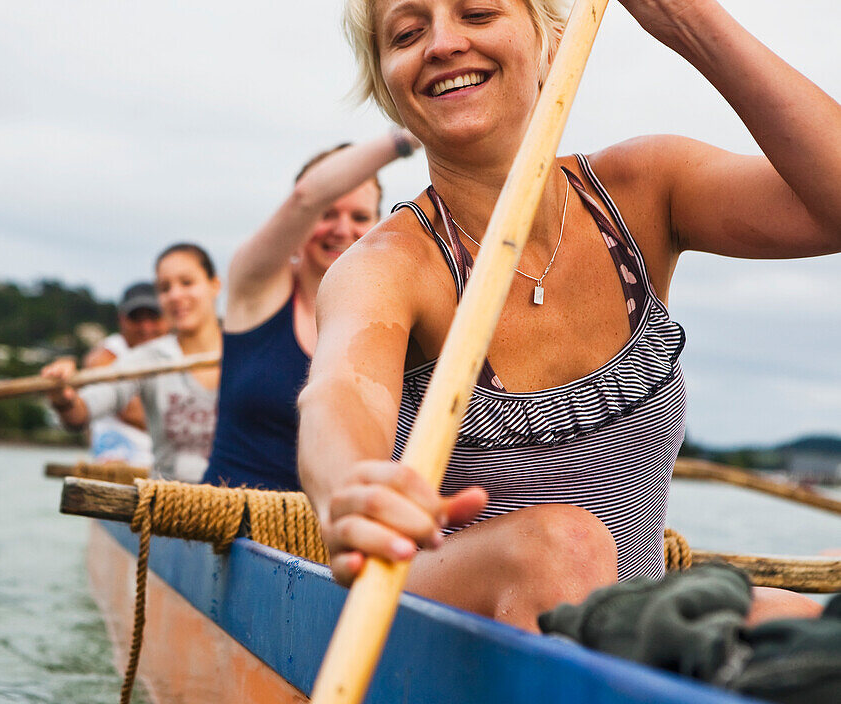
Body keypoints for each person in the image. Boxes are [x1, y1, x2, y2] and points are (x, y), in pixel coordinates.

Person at [298, 0, 839, 631]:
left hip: (630, 622)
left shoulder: (641, 190)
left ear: (552, 42)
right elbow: (340, 392)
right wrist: (349, 491)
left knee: (790, 621)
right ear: (390, 87)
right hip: (447, 622)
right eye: (408, 34)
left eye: (476, 13)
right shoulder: (390, 264)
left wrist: (690, 20)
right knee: (566, 546)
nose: (442, 44)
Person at [202, 131, 420, 492]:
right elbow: (306, 196)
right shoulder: (255, 286)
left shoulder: (394, 309)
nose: (342, 229)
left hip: (333, 534)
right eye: (328, 212)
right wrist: (412, 136)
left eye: (360, 216)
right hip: (231, 525)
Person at [45, 244, 222, 483]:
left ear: (214, 285)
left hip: (242, 504)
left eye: (187, 282)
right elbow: (83, 410)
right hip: (170, 505)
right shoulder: (148, 358)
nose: (175, 295)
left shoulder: (245, 351)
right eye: (165, 288)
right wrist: (64, 399)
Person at [82, 281, 168, 467]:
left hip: (164, 471)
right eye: (136, 318)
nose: (146, 327)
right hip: (122, 465)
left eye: (153, 318)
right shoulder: (106, 355)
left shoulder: (174, 354)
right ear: (122, 320)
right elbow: (131, 411)